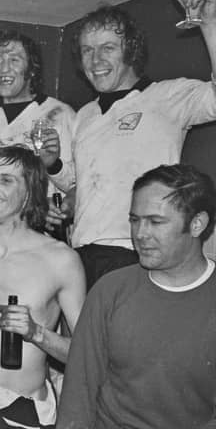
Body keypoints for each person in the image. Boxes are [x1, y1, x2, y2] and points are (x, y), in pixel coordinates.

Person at [52, 0, 216, 289]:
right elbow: (79, 185)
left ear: (130, 51)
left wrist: (210, 24)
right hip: (82, 255)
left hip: (136, 252)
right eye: (87, 50)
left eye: (107, 48)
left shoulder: (166, 97)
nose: (95, 60)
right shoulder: (84, 115)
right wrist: (54, 169)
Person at [57, 164, 216, 429]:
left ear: (197, 224)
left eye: (156, 222)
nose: (140, 234)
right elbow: (79, 392)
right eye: (134, 220)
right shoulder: (111, 290)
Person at [0, 146, 85, 429]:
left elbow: (85, 353)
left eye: (6, 180)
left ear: (29, 192)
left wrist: (36, 332)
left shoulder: (60, 260)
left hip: (19, 409)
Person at [0, 30, 75, 198]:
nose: (4, 68)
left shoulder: (60, 114)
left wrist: (53, 165)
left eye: (14, 60)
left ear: (32, 70)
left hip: (40, 222)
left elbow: (77, 186)